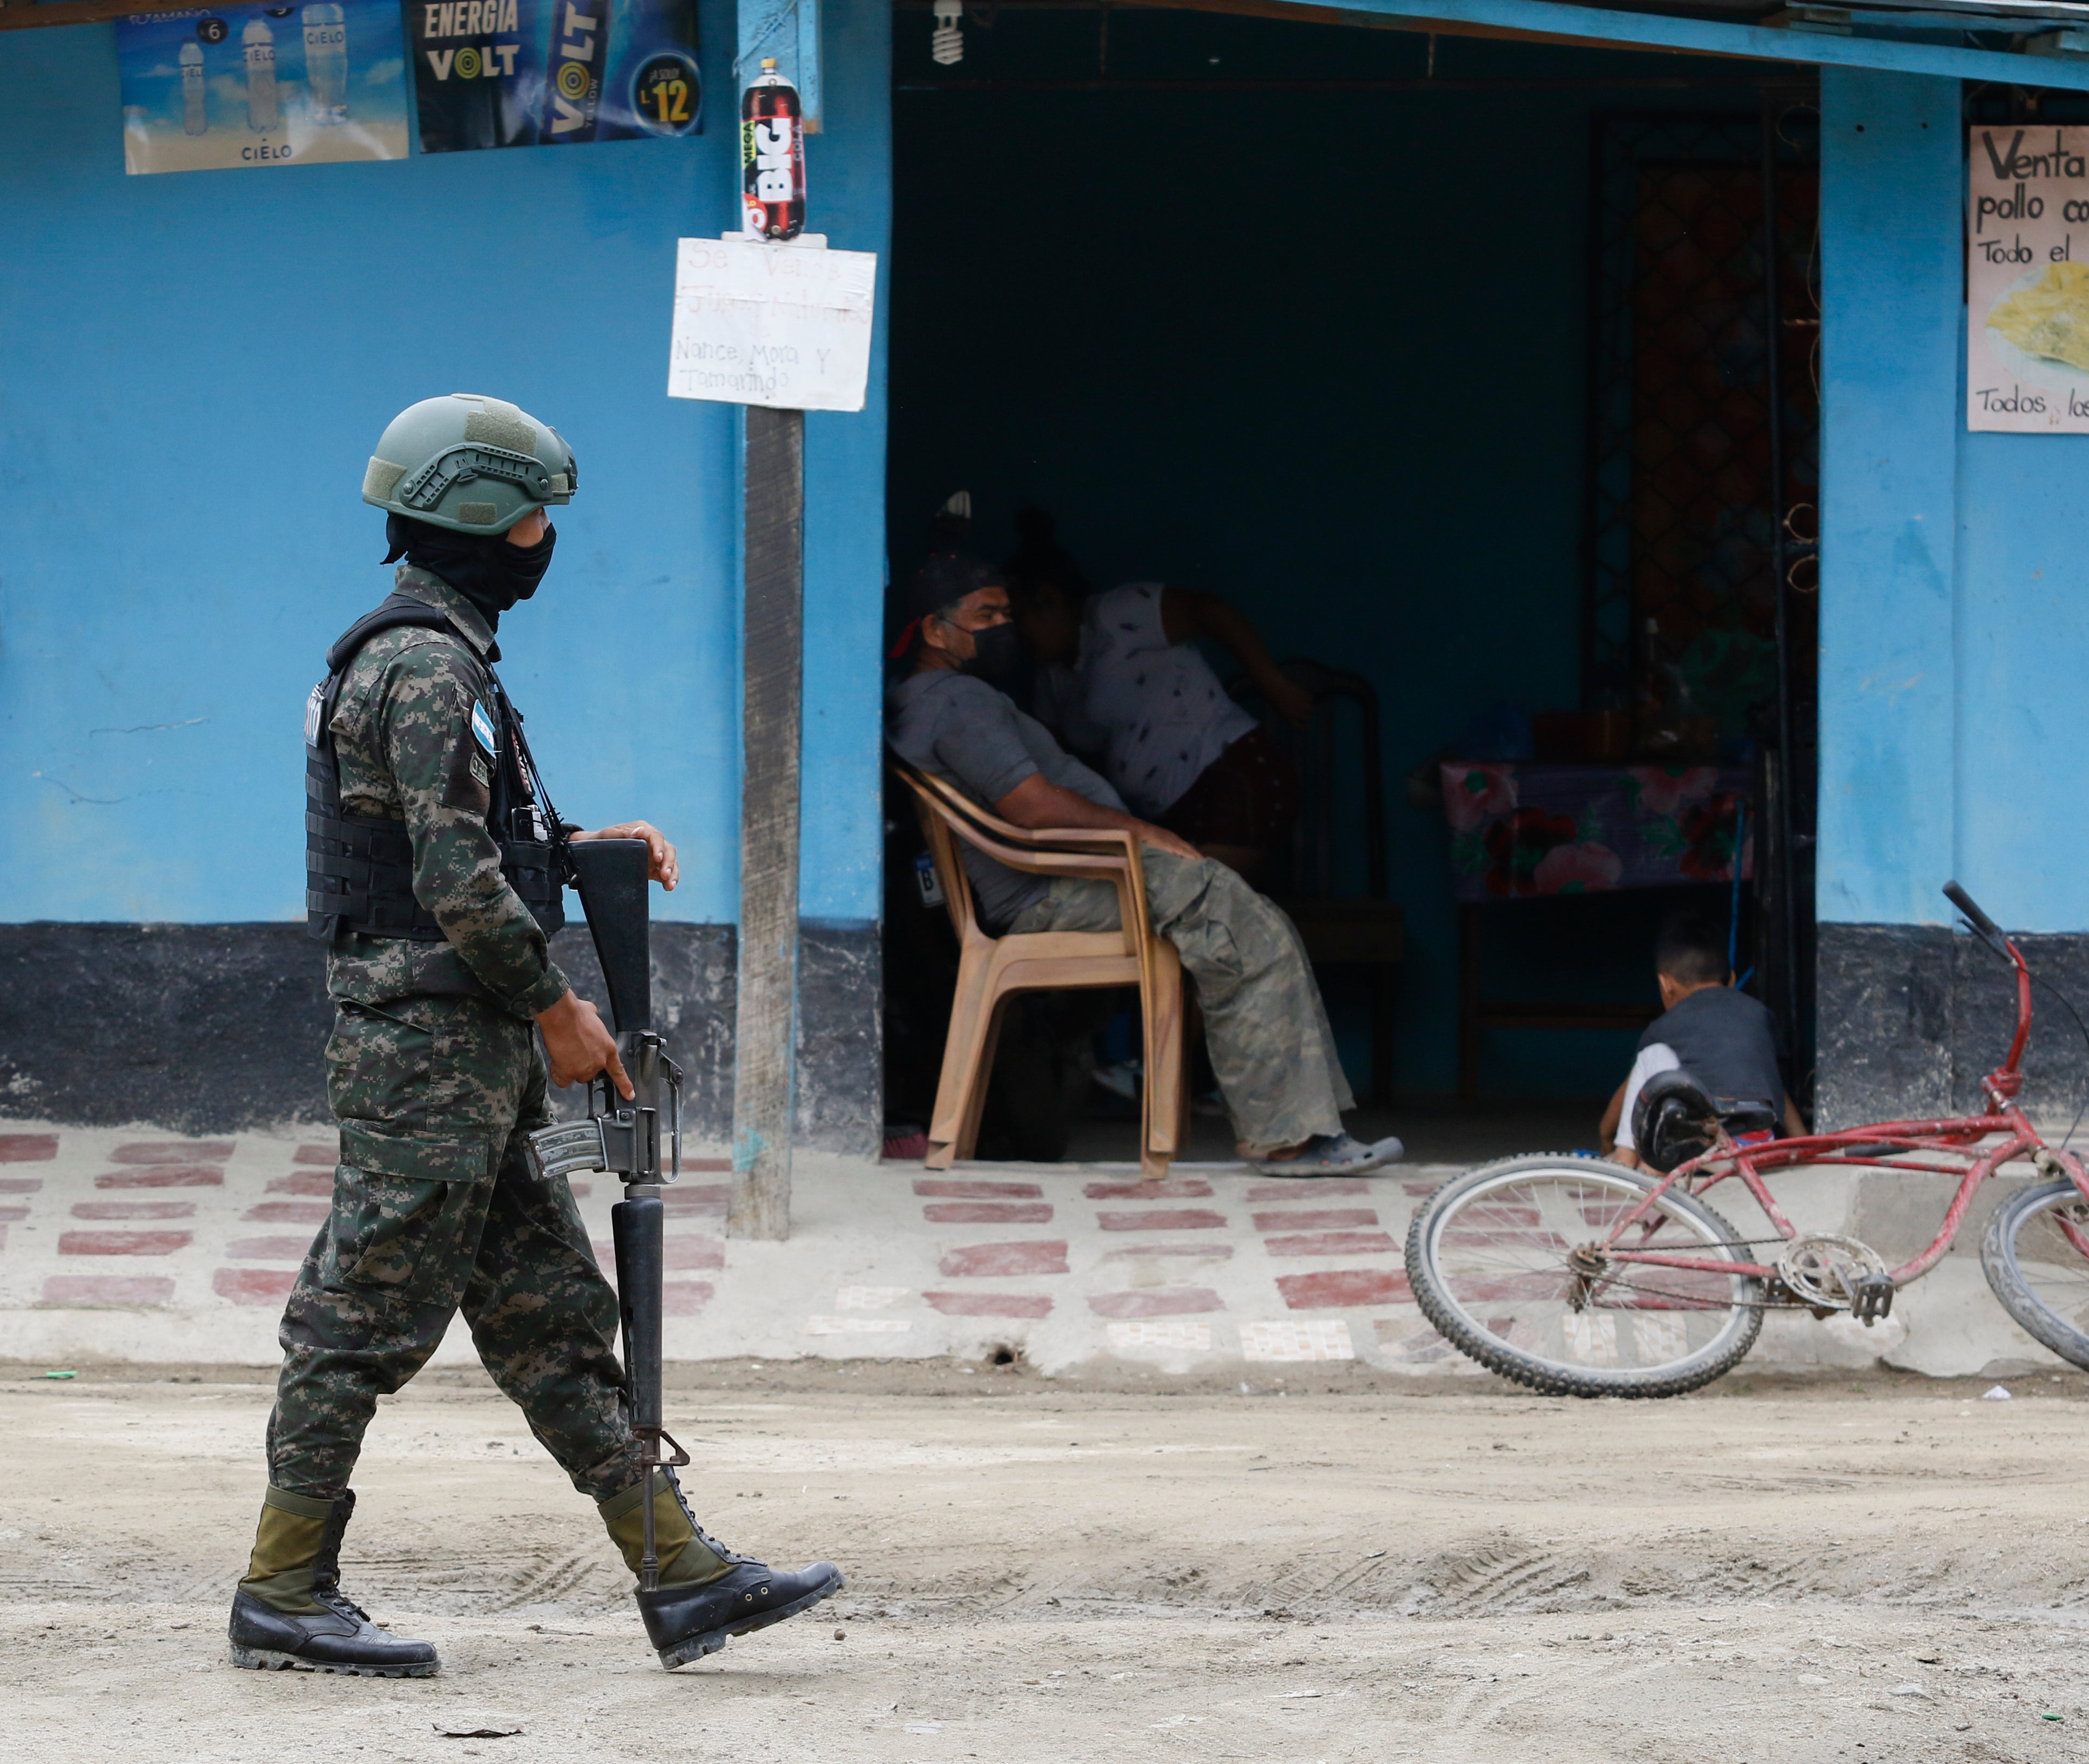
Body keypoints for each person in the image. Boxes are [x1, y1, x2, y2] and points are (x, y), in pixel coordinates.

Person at [234, 393, 841, 1678]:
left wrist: (580, 851)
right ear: (473, 516)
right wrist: (557, 1010)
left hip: (464, 1041)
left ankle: (680, 1575)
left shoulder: (446, 658)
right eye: (528, 514)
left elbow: (461, 842)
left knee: (551, 1315)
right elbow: (449, 878)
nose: (539, 538)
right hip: (425, 1046)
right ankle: (283, 1589)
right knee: (361, 1311)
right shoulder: (424, 665)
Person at [888, 554, 1399, 1177]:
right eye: (985, 615)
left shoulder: (934, 699)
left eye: (1006, 613)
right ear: (936, 632)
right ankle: (1289, 1140)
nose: (1004, 626)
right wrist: (1146, 832)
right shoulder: (955, 701)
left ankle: (1295, 1131)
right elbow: (1031, 806)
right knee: (1237, 922)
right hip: (1053, 890)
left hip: (1070, 878)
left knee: (1241, 914)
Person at [1006, 515, 1315, 886]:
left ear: (1057, 601)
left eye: (1030, 613)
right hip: (1174, 815)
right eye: (1014, 618)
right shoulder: (1051, 681)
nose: (1022, 630)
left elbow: (1209, 610)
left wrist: (1273, 683)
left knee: (1194, 903)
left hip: (1234, 776)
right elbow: (1055, 762)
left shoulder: (1116, 616)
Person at [1600, 908, 1806, 1169]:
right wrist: (1803, 1143)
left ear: (1665, 985)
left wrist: (1605, 1135)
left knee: (1653, 1056)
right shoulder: (1759, 1014)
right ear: (1731, 979)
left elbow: (1634, 1093)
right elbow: (1774, 1084)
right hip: (1758, 1148)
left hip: (1703, 1146)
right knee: (1760, 1066)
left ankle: (1625, 1157)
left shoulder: (1664, 1028)